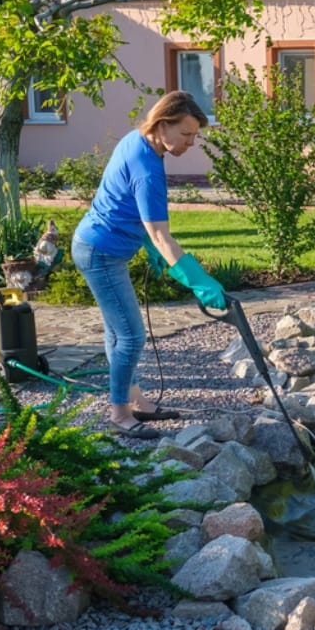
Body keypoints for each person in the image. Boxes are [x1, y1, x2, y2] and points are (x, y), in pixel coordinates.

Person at [71, 91, 226, 439]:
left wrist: (147, 244)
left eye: (194, 137)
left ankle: (134, 399)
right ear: (162, 124)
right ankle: (119, 413)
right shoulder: (149, 170)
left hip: (94, 243)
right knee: (131, 336)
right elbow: (161, 237)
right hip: (100, 252)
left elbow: (123, 201)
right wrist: (199, 281)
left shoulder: (135, 140)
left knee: (118, 332)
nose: (189, 143)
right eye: (185, 135)